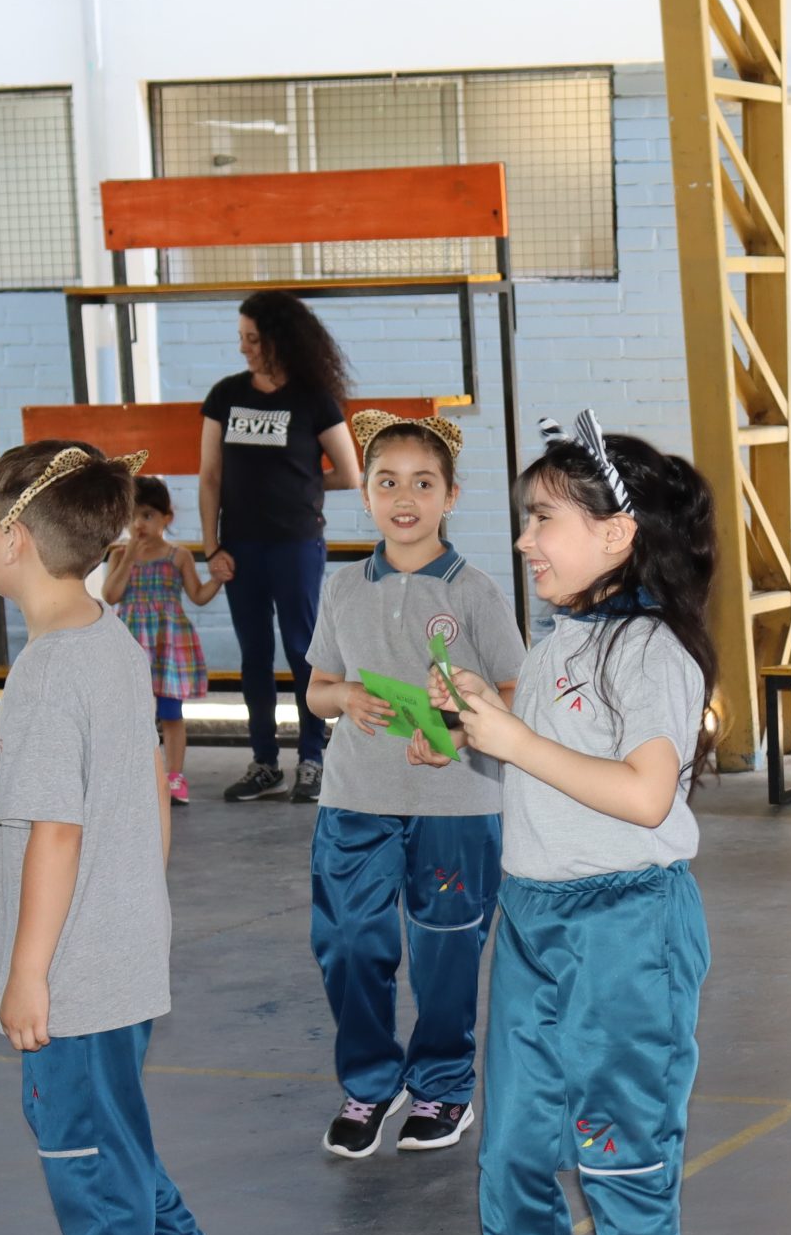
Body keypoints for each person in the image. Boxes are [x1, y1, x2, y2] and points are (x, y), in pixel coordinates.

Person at [440, 413, 717, 1235]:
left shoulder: (651, 650)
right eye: (525, 519)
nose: (525, 540)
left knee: (623, 1161)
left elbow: (646, 795)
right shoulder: (559, 641)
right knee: (511, 1155)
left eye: (544, 518)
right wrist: (480, 732)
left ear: (617, 533)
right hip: (534, 922)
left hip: (625, 928)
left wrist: (513, 738)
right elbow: (552, 770)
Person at [0, 442, 245, 1235]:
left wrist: (29, 971)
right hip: (119, 935)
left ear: (12, 538)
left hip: (75, 962)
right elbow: (151, 795)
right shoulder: (112, 640)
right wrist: (138, 907)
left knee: (81, 1144)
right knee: (111, 1127)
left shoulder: (49, 671)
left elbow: (55, 830)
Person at [305, 413, 525, 1161]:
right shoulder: (342, 588)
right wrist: (343, 697)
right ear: (365, 494)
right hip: (355, 800)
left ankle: (443, 1085)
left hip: (456, 804)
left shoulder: (476, 593)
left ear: (451, 496)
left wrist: (460, 731)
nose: (405, 498)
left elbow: (513, 691)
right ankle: (370, 1082)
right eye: (388, 482)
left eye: (423, 483)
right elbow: (318, 689)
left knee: (445, 952)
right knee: (347, 943)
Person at [198, 290, 361, 805]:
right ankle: (264, 762)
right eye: (241, 338)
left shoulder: (313, 399)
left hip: (295, 546)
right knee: (254, 654)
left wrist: (303, 485)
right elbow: (210, 477)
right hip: (239, 547)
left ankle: (312, 758)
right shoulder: (225, 395)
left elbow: (350, 473)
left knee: (301, 649)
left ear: (279, 339)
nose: (244, 348)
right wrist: (211, 548)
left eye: (253, 338)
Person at [102, 479, 220, 806]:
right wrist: (129, 558)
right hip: (131, 644)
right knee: (131, 713)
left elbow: (198, 595)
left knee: (170, 712)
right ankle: (133, 777)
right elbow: (110, 595)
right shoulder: (119, 555)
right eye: (132, 516)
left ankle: (174, 776)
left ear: (167, 518)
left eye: (147, 515)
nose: (138, 524)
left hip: (167, 645)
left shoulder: (178, 556)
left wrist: (217, 581)